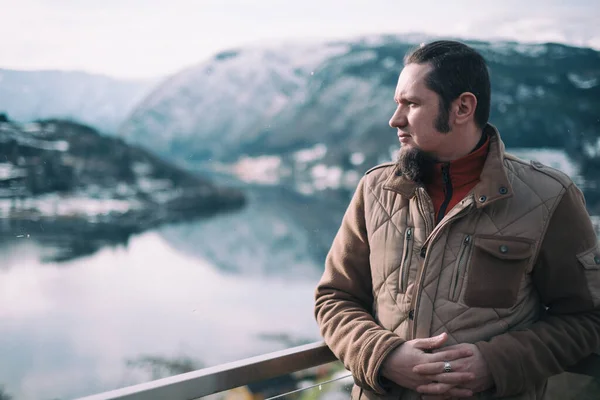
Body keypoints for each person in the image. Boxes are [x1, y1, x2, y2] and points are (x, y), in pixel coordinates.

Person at [314, 40, 600, 400]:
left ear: (462, 107)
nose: (395, 119)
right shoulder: (375, 190)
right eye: (397, 104)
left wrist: (495, 364)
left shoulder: (549, 197)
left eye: (412, 104)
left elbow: (586, 318)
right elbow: (334, 298)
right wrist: (382, 355)